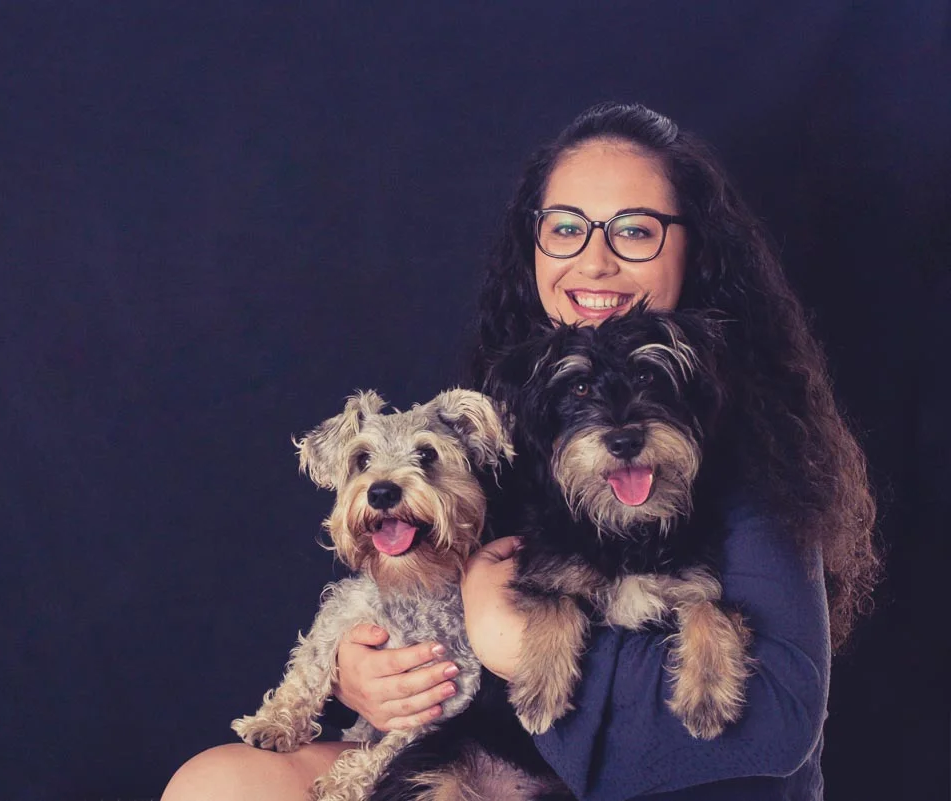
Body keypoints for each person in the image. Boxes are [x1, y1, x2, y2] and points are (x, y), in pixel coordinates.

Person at [162, 102, 881, 801]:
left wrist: (513, 640)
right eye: (566, 227)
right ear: (533, 243)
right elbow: (421, 583)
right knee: (217, 785)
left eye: (634, 230)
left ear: (696, 247)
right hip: (486, 747)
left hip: (666, 777)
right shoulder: (509, 409)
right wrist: (363, 667)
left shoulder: (753, 434)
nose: (594, 261)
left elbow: (781, 718)